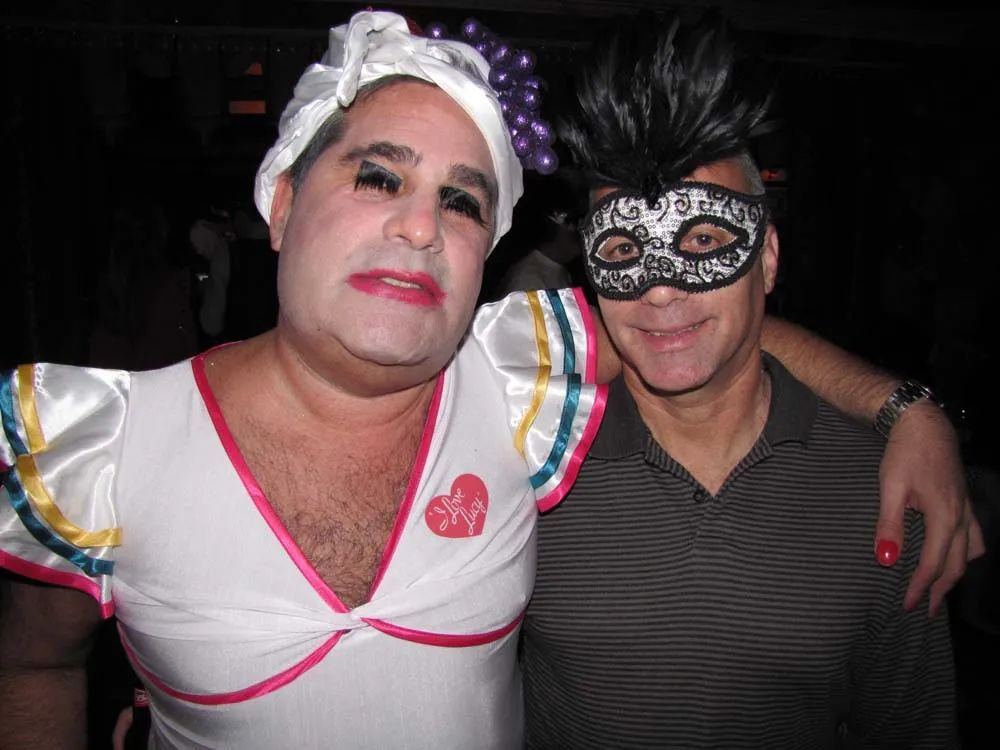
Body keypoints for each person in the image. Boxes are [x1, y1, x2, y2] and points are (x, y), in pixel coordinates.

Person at [0, 10, 981, 750]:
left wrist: (905, 410)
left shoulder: (521, 384)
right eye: (378, 177)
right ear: (282, 200)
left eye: (461, 202)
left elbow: (701, 330)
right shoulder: (104, 449)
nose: (418, 226)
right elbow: (32, 664)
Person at [522, 13, 960, 748]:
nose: (661, 289)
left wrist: (910, 413)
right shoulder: (525, 455)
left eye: (702, 240)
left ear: (768, 257)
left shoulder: (888, 490)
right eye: (624, 250)